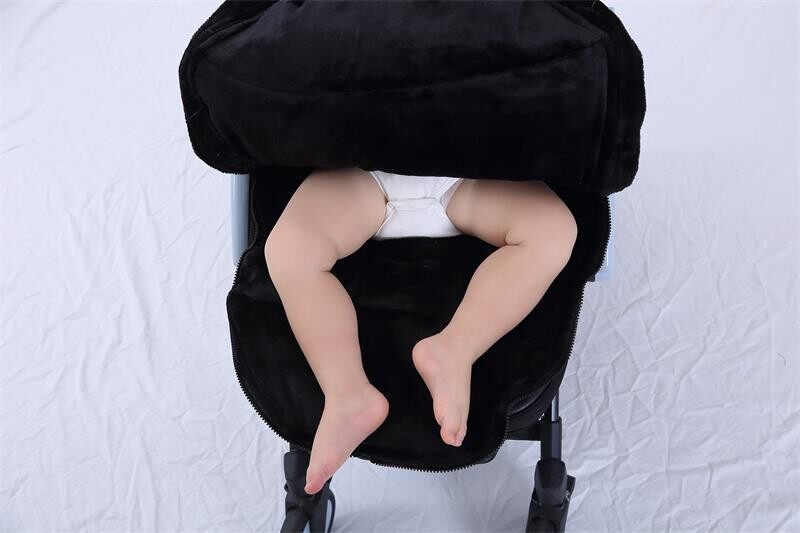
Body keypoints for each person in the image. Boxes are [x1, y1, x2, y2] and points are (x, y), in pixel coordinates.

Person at [264, 166, 578, 495]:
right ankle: (346, 392)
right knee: (289, 249)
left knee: (553, 229)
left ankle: (455, 349)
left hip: (465, 173)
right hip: (359, 174)